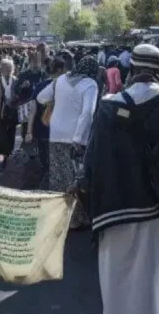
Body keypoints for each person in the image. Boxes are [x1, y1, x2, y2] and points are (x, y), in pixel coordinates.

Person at [76, 44, 159, 314]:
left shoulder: (106, 108)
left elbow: (90, 164)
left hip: (112, 214)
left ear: (132, 70)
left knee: (120, 290)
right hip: (156, 213)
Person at [37, 55, 99, 229]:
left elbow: (41, 97)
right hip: (75, 137)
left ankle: (58, 217)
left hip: (56, 134)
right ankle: (76, 219)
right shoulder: (90, 84)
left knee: (58, 176)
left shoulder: (61, 80)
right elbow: (88, 113)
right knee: (76, 178)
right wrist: (79, 139)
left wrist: (57, 102)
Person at [25, 57, 67, 189]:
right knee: (59, 164)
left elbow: (32, 110)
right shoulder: (68, 88)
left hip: (42, 130)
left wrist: (29, 131)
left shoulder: (40, 86)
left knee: (46, 164)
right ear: (61, 70)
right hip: (60, 133)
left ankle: (46, 188)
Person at [0, 58, 19, 167]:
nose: (8, 70)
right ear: (1, 69)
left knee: (10, 134)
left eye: (10, 68)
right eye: (5, 68)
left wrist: (15, 98)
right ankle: (0, 155)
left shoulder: (16, 80)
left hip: (11, 112)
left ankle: (8, 153)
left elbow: (18, 95)